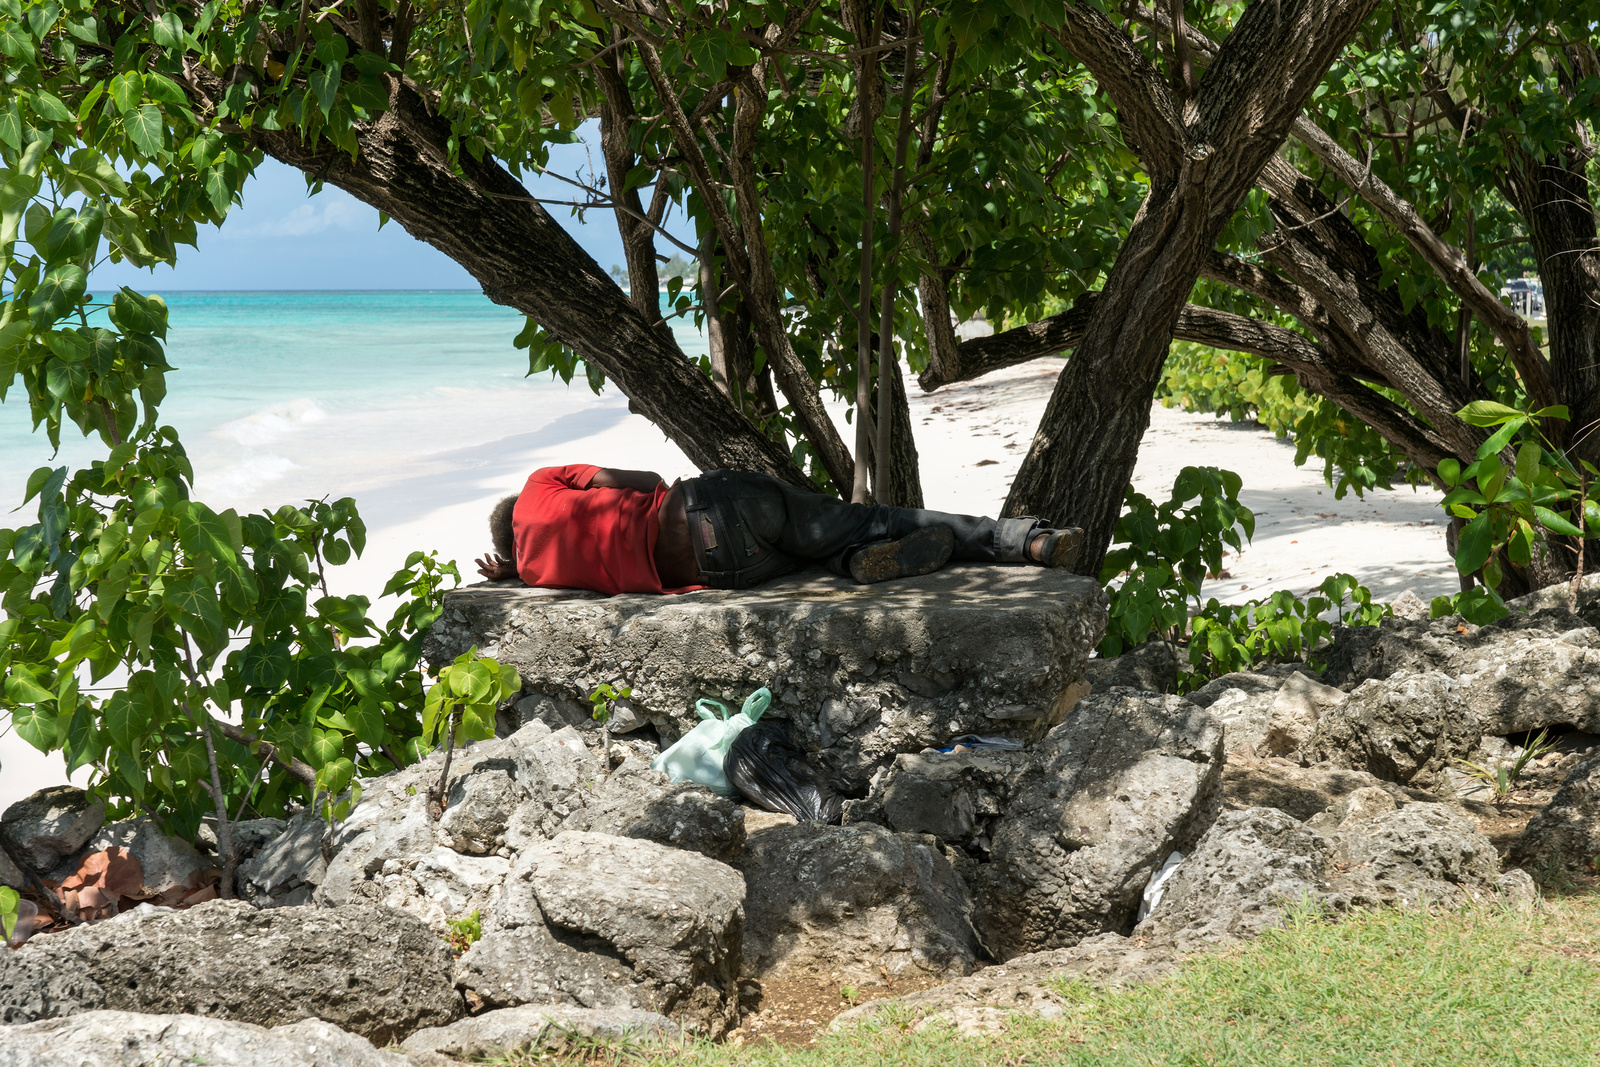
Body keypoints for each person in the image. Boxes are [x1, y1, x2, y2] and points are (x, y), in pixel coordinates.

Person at [472, 464, 1084, 595]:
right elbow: (640, 476)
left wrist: (512, 572)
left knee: (820, 556)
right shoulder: (537, 484)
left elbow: (525, 569)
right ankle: (1026, 540)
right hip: (710, 507)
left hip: (722, 572)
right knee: (869, 519)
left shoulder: (531, 574)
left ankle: (854, 565)